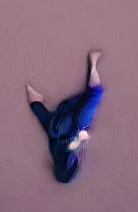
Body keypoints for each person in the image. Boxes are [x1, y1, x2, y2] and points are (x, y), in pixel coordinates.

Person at [26, 51, 104, 184]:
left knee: (95, 92)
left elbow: (76, 141)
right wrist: (35, 103)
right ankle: (32, 93)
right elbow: (45, 122)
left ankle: (93, 62)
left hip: (72, 121)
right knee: (40, 110)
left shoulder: (69, 152)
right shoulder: (54, 151)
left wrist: (83, 136)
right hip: (57, 121)